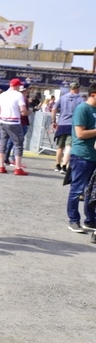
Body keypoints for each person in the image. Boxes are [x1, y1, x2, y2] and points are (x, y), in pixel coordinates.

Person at [66, 83, 96, 234]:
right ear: (93, 94)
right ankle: (73, 220)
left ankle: (90, 220)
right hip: (82, 155)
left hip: (93, 156)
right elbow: (80, 134)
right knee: (77, 190)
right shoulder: (82, 109)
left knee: (91, 191)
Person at [0, 78, 29, 175]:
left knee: (3, 144)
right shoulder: (18, 95)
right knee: (18, 144)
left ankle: (1, 166)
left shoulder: (2, 95)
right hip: (14, 122)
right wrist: (29, 112)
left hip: (3, 121)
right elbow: (23, 111)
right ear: (17, 86)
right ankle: (17, 168)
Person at [52, 82, 84, 174]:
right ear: (77, 89)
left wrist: (53, 121)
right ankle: (64, 166)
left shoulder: (63, 97)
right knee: (69, 146)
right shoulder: (81, 99)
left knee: (60, 146)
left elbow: (54, 109)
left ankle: (57, 165)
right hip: (74, 125)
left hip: (62, 124)